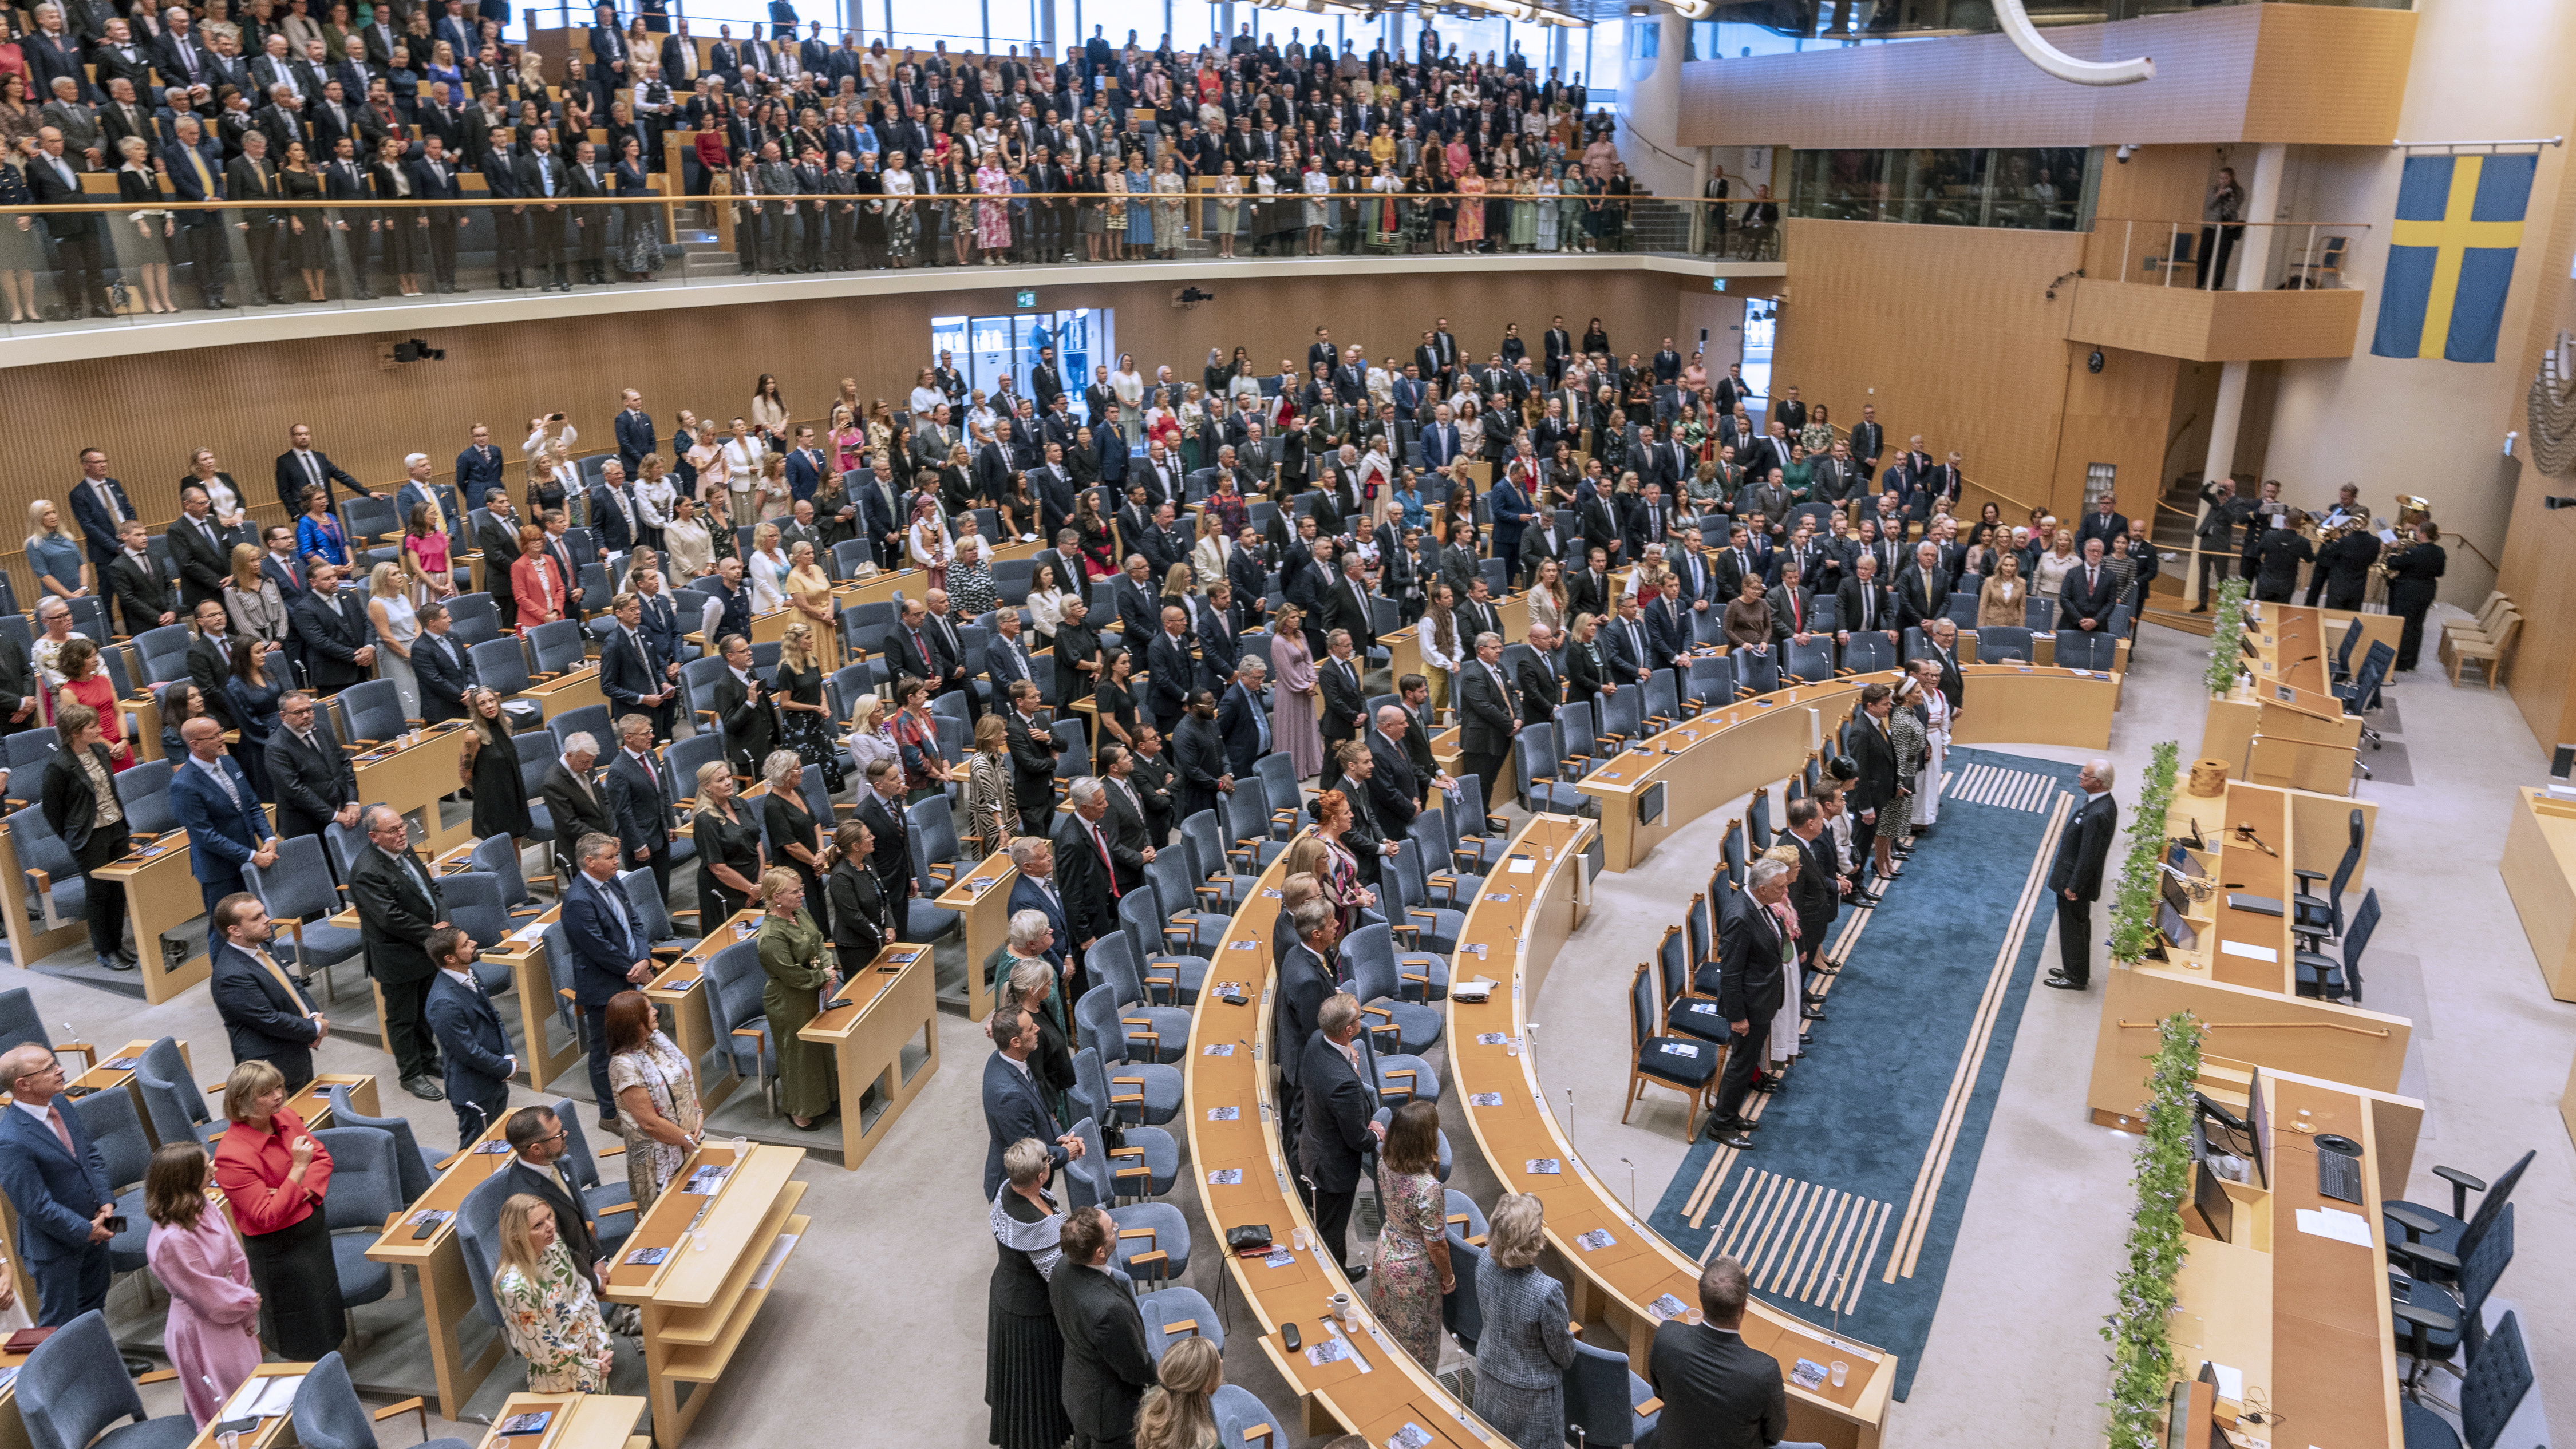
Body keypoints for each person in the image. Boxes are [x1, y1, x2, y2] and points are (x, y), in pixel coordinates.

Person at [212, 1059, 345, 1360]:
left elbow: (322, 1159)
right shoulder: (231, 1156)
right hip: (280, 1252)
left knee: (326, 1306)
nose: (278, 1096)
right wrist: (298, 1169)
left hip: (312, 1234)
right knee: (298, 1325)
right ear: (242, 1102)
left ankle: (332, 1366)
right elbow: (267, 1215)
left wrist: (295, 1192)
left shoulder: (285, 1118)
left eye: (279, 1087)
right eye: (266, 1093)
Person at [1647, 1256, 1828, 1449]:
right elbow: (1774, 1435)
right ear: (1744, 1307)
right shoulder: (1763, 1372)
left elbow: (1660, 1394)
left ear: (1700, 1298)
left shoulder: (1667, 1335)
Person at [144, 1141, 263, 1428]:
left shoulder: (204, 1204)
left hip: (229, 1309)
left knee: (252, 1388)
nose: (214, 1169)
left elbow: (235, 1256)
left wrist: (245, 1304)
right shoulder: (170, 1241)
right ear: (185, 1179)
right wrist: (245, 1301)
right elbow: (203, 1292)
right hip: (201, 1327)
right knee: (224, 1408)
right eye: (206, 1166)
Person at [0, 1045, 116, 1329]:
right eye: (49, 1068)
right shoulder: (10, 1139)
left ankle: (99, 1367)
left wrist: (106, 1200)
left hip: (96, 1227)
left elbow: (89, 1155)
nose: (60, 1070)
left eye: (56, 1063)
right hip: (56, 1248)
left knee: (94, 1307)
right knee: (60, 1326)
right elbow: (35, 1206)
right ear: (23, 1084)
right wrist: (85, 1230)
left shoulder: (60, 1103)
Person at [350, 804, 449, 1100]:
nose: (402, 833)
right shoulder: (366, 871)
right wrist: (434, 933)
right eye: (393, 830)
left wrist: (442, 921)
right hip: (397, 957)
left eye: (403, 825)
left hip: (425, 950)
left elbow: (432, 889)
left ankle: (428, 1059)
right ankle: (411, 1074)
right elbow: (390, 918)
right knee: (403, 1018)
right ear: (374, 836)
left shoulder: (405, 850)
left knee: (424, 1011)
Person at [1471, 1193, 1579, 1449]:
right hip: (1532, 1402)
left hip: (1488, 1377)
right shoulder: (1547, 1290)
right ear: (1534, 1240)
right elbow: (1564, 1356)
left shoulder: (1483, 1261)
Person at [990, 1137, 1076, 1449]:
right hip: (1030, 1316)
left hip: (1007, 1294)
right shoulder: (1035, 1226)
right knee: (1034, 1389)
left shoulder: (1006, 1191)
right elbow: (1061, 1276)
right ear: (1041, 1176)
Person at [1050, 1205, 1157, 1449]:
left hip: (1077, 1389)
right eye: (1113, 1230)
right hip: (1110, 1413)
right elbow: (1135, 1368)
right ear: (1100, 1252)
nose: (1117, 1231)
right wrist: (1166, 1379)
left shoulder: (1061, 1268)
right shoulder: (1109, 1311)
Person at [1705, 858, 1794, 1151]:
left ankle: (1730, 1115)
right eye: (1780, 888)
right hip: (1749, 1007)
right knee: (1741, 1066)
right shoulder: (1740, 917)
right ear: (1762, 888)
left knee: (1746, 1064)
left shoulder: (1759, 904)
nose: (1785, 893)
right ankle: (1721, 1125)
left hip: (1762, 1000)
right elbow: (1730, 974)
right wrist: (1737, 1017)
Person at [39, 703, 133, 972]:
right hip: (88, 837)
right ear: (76, 732)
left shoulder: (101, 750)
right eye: (93, 727)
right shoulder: (59, 766)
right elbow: (52, 812)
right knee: (98, 892)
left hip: (116, 827)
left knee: (118, 890)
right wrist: (74, 835)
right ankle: (105, 950)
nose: (101, 730)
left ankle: (117, 944)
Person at [491, 1192, 616, 1392]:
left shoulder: (554, 1244)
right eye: (538, 1225)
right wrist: (591, 1368)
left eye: (549, 1216)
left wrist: (603, 1344)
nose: (550, 1226)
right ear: (516, 1236)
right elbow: (545, 1352)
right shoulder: (514, 1288)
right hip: (561, 1377)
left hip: (593, 1354)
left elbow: (583, 1295)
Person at [1297, 992, 1384, 1280]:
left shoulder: (1315, 1041)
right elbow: (1358, 1139)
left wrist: (1352, 1064)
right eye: (1360, 1017)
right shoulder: (1343, 1083)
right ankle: (1335, 1281)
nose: (1362, 1020)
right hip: (1333, 1168)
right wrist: (1376, 1134)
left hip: (1313, 1144)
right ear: (1349, 1030)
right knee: (1332, 1229)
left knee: (1326, 1221)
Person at [207, 891, 328, 1088]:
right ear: (235, 930)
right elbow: (269, 1019)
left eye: (264, 913)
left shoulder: (263, 944)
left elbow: (291, 984)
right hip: (270, 1068)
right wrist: (314, 1028)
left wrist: (313, 1015)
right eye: (256, 918)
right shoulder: (230, 976)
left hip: (295, 1049)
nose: (267, 920)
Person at [1368, 1097, 1453, 1373]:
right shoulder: (1428, 1187)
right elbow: (1437, 1245)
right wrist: (1448, 1277)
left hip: (1385, 1254)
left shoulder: (1385, 1162)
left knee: (1387, 1338)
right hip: (1413, 1275)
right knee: (1418, 1350)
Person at [756, 864, 837, 1130]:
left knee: (819, 1048)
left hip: (814, 992)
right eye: (795, 891)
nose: (802, 894)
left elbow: (818, 940)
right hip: (789, 1001)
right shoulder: (770, 936)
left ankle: (824, 1100)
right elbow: (792, 975)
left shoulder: (799, 913)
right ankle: (799, 1110)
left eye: (801, 888)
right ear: (776, 897)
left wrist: (829, 968)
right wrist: (824, 977)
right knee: (799, 1055)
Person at [603, 989, 701, 1207]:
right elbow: (650, 1123)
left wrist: (698, 1114)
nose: (655, 1012)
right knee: (675, 1216)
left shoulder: (657, 1041)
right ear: (633, 1021)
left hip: (688, 1139)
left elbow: (684, 1078)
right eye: (648, 1010)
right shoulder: (623, 1066)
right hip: (660, 1158)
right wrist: (687, 1140)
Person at [421, 924, 514, 1149]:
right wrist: (506, 1068)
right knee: (475, 1153)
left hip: (494, 1077)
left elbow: (495, 1018)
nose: (474, 944)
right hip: (473, 1089)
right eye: (466, 944)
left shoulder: (470, 973)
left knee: (499, 1143)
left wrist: (509, 1055)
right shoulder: (443, 1002)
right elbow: (468, 1052)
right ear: (450, 958)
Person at [982, 1004, 1082, 1200]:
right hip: (1020, 1189)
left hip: (1037, 1170)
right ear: (1016, 1041)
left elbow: (1040, 1106)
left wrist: (1061, 1137)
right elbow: (1029, 1155)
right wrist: (1065, 1153)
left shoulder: (1006, 1058)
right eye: (1030, 1028)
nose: (1037, 1028)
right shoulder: (1009, 1097)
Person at [2042, 759, 2118, 991]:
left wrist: (2074, 886)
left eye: (2084, 775)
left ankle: (2075, 977)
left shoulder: (2099, 813)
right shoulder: (2099, 803)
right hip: (2073, 878)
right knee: (2076, 926)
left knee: (2074, 928)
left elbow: (2089, 856)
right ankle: (2074, 969)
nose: (2079, 776)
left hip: (2075, 883)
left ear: (2097, 783)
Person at [692, 759, 765, 923]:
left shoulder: (739, 803)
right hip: (727, 893)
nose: (728, 782)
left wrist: (758, 884)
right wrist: (750, 889)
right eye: (721, 780)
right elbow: (718, 868)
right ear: (707, 787)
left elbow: (758, 843)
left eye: (729, 777)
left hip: (754, 886)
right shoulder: (705, 820)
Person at [824, 819, 895, 973]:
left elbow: (882, 895)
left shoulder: (866, 860)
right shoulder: (841, 877)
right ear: (855, 846)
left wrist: (890, 925)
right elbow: (854, 917)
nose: (873, 838)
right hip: (855, 947)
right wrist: (881, 935)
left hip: (875, 939)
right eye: (868, 836)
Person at [2383, 520, 2445, 671]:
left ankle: (2401, 662)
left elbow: (2393, 564)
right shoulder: (2440, 552)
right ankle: (2411, 661)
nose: (2415, 534)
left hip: (2409, 592)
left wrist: (2394, 549)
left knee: (2405, 625)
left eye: (2417, 532)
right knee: (2417, 625)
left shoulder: (2415, 552)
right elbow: (2440, 573)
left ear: (2423, 534)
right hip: (2427, 591)